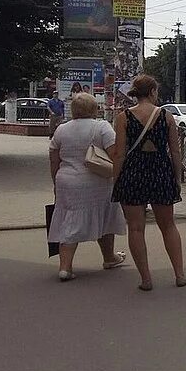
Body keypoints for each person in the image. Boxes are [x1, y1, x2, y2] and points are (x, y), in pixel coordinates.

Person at [111, 74, 186, 291]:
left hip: (133, 174)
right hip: (160, 173)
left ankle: (146, 279)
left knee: (135, 229)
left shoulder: (123, 118)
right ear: (153, 92)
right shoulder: (167, 116)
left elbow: (119, 154)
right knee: (168, 226)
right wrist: (176, 177)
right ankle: (180, 275)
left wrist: (116, 180)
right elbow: (175, 150)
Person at [48, 92, 127, 281]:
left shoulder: (61, 129)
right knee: (105, 216)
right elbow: (115, 154)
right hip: (97, 182)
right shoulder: (102, 127)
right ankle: (108, 257)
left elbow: (53, 159)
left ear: (73, 109)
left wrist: (55, 182)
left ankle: (65, 266)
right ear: (94, 108)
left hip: (67, 181)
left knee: (69, 221)